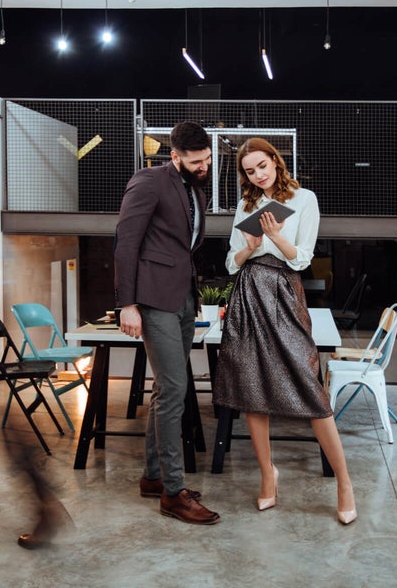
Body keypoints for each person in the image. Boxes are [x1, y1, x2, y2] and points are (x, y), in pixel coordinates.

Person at [212, 137, 357, 525]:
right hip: (247, 294)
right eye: (249, 170)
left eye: (262, 166)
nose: (257, 175)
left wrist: (275, 238)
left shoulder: (303, 198)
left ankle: (344, 482)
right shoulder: (246, 206)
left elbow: (303, 259)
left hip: (283, 291)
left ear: (276, 162)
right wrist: (250, 245)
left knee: (310, 386)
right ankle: (267, 476)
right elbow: (231, 262)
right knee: (251, 387)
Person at [114, 121, 220, 525]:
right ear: (174, 156)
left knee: (167, 389)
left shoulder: (194, 187)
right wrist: (127, 304)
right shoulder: (149, 181)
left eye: (208, 159)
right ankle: (174, 493)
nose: (204, 166)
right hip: (154, 299)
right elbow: (127, 241)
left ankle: (153, 478)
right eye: (196, 161)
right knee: (175, 388)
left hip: (183, 298)